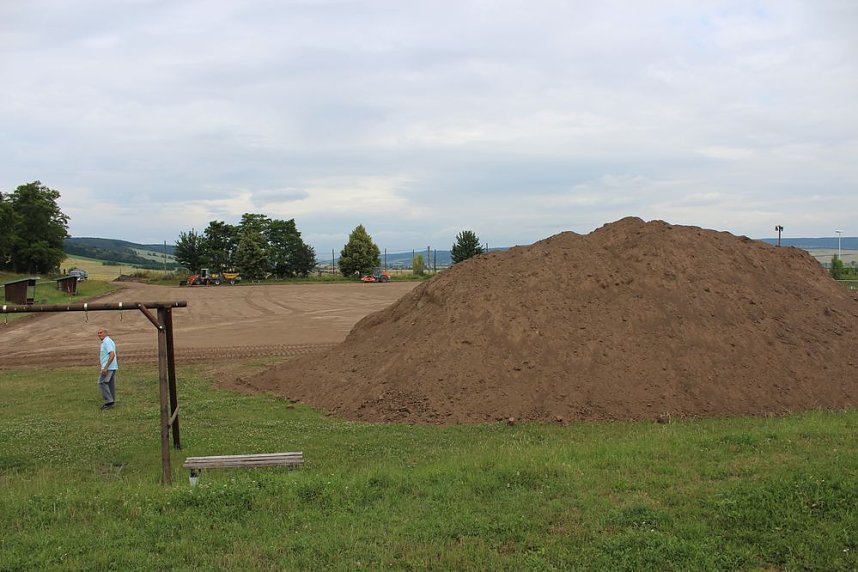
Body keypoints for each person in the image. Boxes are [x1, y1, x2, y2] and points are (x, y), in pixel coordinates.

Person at [97, 328, 119, 409]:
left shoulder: (107, 341)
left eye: (101, 332)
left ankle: (109, 402)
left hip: (108, 367)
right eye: (98, 333)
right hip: (112, 367)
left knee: (101, 382)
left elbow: (112, 354)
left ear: (106, 333)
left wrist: (106, 367)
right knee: (110, 385)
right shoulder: (108, 341)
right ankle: (112, 403)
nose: (99, 334)